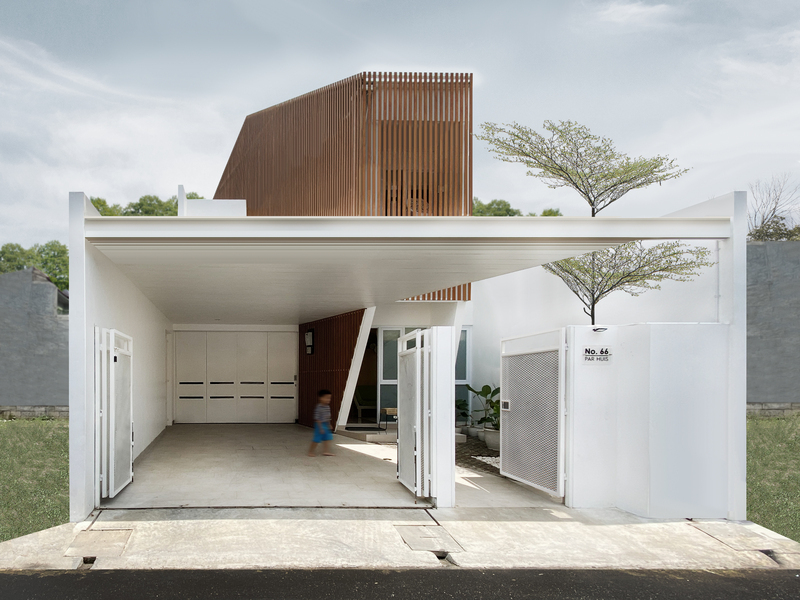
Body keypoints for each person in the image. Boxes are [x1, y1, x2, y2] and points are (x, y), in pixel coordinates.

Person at [308, 389, 335, 457]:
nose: (328, 400)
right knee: (317, 439)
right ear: (320, 398)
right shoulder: (319, 407)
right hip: (319, 425)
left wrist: (329, 424)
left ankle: (326, 451)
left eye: (329, 398)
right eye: (326, 398)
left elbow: (328, 416)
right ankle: (310, 451)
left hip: (326, 424)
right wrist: (320, 428)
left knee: (327, 438)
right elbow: (317, 418)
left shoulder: (327, 407)